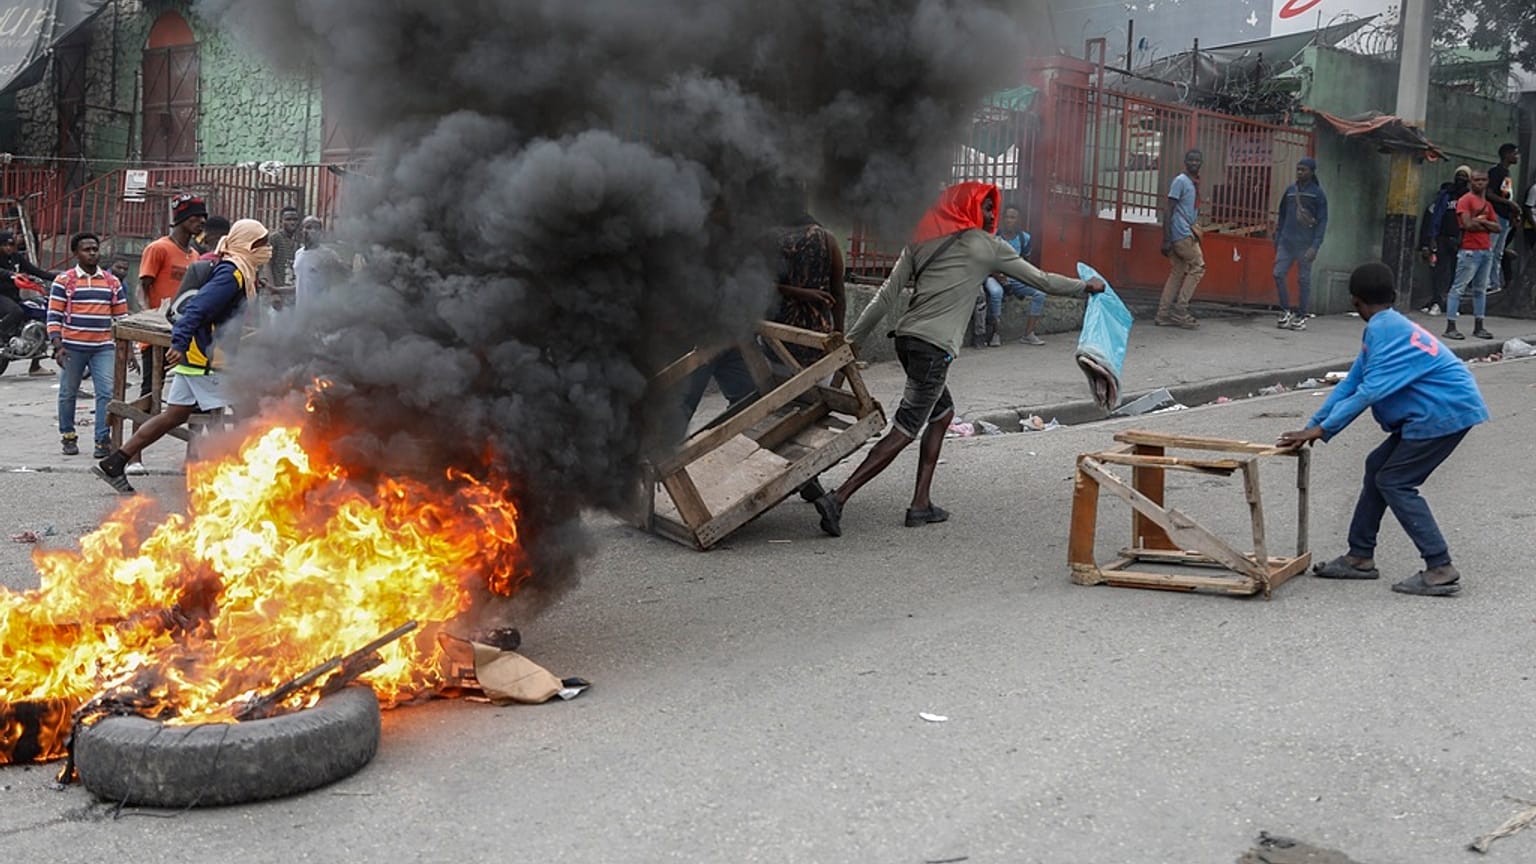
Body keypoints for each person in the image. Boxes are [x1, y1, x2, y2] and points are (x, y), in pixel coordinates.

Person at [812, 181, 1105, 537]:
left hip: (907, 342)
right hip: (933, 349)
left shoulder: (920, 240)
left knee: (943, 414)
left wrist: (853, 342)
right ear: (966, 208)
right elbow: (1040, 280)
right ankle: (838, 498)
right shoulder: (986, 246)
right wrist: (1083, 287)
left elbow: (884, 299)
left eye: (992, 208)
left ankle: (921, 503)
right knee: (905, 429)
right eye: (984, 207)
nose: (991, 215)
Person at [1277, 262, 1488, 597]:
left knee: (1395, 481)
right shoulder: (1385, 325)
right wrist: (1313, 426)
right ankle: (1359, 556)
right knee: (1378, 466)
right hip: (1437, 411)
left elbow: (1369, 392)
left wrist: (1322, 431)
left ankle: (1440, 566)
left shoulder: (1384, 329)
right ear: (1391, 295)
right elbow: (1353, 383)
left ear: (1355, 301)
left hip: (1443, 413)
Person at [95, 219, 271, 494]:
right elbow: (197, 309)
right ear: (247, 244)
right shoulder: (233, 272)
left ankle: (115, 462)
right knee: (249, 411)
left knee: (173, 415)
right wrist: (178, 342)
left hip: (196, 357)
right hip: (207, 359)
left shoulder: (238, 269)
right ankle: (237, 478)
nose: (267, 249)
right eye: (262, 243)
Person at [48, 233, 129, 458]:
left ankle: (102, 440)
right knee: (67, 393)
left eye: (95, 249)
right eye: (87, 249)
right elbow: (54, 315)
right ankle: (68, 436)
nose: (92, 253)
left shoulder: (112, 282)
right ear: (76, 253)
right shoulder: (64, 281)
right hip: (72, 347)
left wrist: (128, 350)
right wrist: (58, 346)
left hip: (103, 347)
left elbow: (122, 318)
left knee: (106, 393)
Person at [138, 194, 208, 395]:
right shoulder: (158, 248)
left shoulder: (195, 256)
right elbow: (142, 287)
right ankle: (144, 427)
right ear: (181, 219)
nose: (201, 222)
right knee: (151, 390)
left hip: (183, 332)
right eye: (196, 217)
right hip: (158, 332)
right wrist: (151, 317)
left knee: (188, 390)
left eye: (203, 217)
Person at [1443, 170, 1500, 341]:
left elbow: (1498, 228)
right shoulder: (1465, 200)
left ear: (1487, 182)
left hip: (1485, 250)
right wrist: (1486, 224)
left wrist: (1481, 222)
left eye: (1483, 180)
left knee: (1480, 290)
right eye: (1476, 180)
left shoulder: (1487, 204)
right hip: (1469, 250)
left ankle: (1479, 326)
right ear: (1471, 182)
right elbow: (1468, 225)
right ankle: (1450, 326)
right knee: (1458, 288)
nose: (1479, 183)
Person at [981, 203, 1048, 346]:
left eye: (1013, 217)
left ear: (1018, 220)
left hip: (1015, 277)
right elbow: (985, 261)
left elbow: (1025, 263)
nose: (1009, 220)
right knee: (996, 292)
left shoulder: (1024, 238)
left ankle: (1028, 334)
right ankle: (995, 334)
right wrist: (998, 276)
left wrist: (1026, 279)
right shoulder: (994, 236)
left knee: (1040, 293)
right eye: (1006, 217)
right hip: (994, 275)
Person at [1273, 157, 1328, 330]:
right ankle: (1285, 310)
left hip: (1306, 245)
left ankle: (1302, 315)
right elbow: (1282, 214)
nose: (1299, 172)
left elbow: (1322, 221)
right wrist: (1279, 236)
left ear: (1312, 172)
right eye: (1298, 169)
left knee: (1303, 280)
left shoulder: (1318, 194)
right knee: (1278, 273)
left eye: (1303, 169)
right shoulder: (1290, 190)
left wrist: (1315, 246)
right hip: (1287, 242)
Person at [1158, 149, 1205, 328]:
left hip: (1183, 232)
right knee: (1198, 268)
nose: (1194, 163)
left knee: (1178, 271)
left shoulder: (1193, 183)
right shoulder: (1180, 181)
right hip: (1181, 233)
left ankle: (1163, 314)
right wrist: (1166, 239)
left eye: (1197, 160)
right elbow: (1168, 209)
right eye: (1191, 160)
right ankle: (1180, 311)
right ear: (1185, 162)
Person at [0, 230, 58, 375]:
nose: (9, 248)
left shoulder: (16, 258)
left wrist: (58, 278)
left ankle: (35, 366)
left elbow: (36, 271)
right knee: (16, 312)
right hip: (1, 295)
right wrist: (11, 275)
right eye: (5, 245)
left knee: (38, 315)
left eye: (11, 244)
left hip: (14, 296)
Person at [1418, 165, 1470, 316]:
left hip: (1460, 240)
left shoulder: (1469, 197)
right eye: (1458, 175)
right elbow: (1436, 218)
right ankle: (1437, 301)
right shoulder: (1446, 195)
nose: (1461, 178)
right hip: (1442, 238)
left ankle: (1451, 304)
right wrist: (1432, 238)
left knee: (1456, 274)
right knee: (1439, 272)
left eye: (1464, 176)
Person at [293, 216, 348, 307]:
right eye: (308, 227)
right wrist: (277, 290)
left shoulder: (327, 254)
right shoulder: (298, 253)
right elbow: (301, 283)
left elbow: (345, 274)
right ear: (302, 231)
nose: (312, 231)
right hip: (301, 311)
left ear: (320, 233)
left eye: (316, 228)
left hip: (319, 311)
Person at [1485, 143, 1520, 288]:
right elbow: (1489, 194)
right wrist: (1509, 204)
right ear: (1507, 155)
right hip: (1495, 215)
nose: (1517, 156)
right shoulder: (1496, 172)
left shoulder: (1507, 173)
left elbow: (1506, 195)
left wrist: (1511, 211)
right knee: (1490, 250)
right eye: (1515, 153)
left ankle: (1494, 283)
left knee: (1498, 252)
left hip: (1505, 217)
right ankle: (1485, 282)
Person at [267, 205, 302, 288]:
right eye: (288, 219)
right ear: (281, 221)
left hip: (292, 289)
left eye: (295, 219)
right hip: (279, 288)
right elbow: (267, 264)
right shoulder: (275, 238)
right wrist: (273, 290)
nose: (292, 222)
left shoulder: (300, 240)